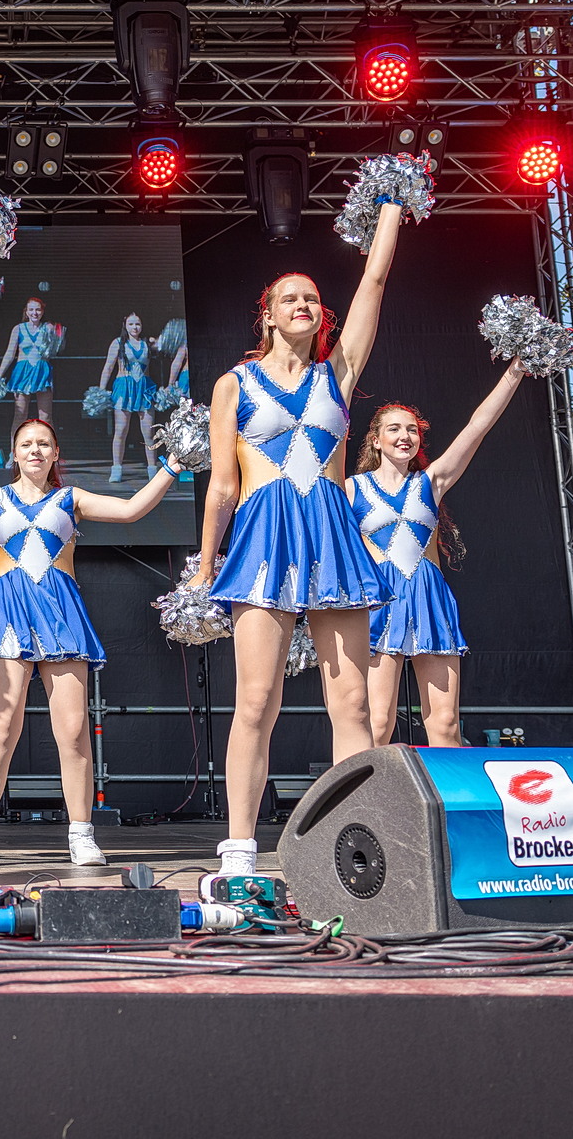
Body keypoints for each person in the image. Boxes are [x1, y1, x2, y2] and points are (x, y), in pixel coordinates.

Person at [185, 197, 409, 878]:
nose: (303, 304)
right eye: (290, 298)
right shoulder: (233, 384)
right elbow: (222, 487)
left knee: (352, 704)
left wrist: (393, 202)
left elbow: (374, 281)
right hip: (262, 536)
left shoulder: (336, 373)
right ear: (268, 316)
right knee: (256, 700)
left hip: (332, 535)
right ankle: (239, 847)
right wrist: (205, 566)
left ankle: (355, 841)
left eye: (311, 297)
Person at [0, 418, 176, 869]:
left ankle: (82, 834)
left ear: (56, 453)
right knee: (0, 729)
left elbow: (131, 510)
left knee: (73, 730)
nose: (35, 450)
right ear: (14, 453)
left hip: (61, 615)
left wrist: (173, 465)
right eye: (26, 443)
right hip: (8, 613)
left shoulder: (71, 498)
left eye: (44, 443)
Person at [348, 360, 526, 749]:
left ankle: (446, 791)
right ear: (375, 440)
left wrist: (516, 369)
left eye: (412, 429)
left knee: (445, 723)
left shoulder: (432, 481)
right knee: (376, 722)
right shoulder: (350, 488)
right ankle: (366, 791)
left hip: (428, 598)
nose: (405, 436)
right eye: (394, 429)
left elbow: (477, 427)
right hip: (380, 601)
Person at [99, 313, 160, 482]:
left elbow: (169, 345)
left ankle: (152, 470)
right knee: (121, 430)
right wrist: (100, 390)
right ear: (125, 325)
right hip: (124, 388)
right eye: (131, 324)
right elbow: (108, 367)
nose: (135, 327)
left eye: (138, 324)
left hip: (144, 389)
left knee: (149, 431)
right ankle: (116, 469)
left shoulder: (148, 343)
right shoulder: (118, 343)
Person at [0, 298, 62, 430]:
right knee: (20, 415)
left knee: (46, 417)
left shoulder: (47, 327)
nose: (34, 313)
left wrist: (55, 334)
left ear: (43, 311)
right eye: (31, 309)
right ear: (26, 312)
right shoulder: (18, 329)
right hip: (22, 372)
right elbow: (9, 354)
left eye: (38, 309)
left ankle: (48, 443)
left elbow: (55, 350)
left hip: (42, 371)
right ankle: (16, 444)